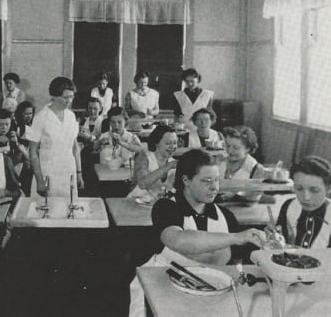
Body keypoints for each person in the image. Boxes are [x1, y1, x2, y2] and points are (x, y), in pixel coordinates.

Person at [128, 149, 266, 317]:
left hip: (211, 293)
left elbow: (236, 262)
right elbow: (180, 241)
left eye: (216, 180)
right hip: (162, 288)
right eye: (206, 181)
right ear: (186, 180)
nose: (214, 187)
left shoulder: (226, 217)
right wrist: (236, 237)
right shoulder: (166, 207)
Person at [28, 77, 82, 197]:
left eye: (71, 97)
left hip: (68, 171)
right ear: (55, 96)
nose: (69, 101)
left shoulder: (71, 116)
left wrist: (79, 173)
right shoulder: (41, 117)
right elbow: (32, 152)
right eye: (65, 97)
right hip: (48, 172)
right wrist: (39, 180)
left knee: (69, 209)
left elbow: (75, 148)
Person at [276, 156, 331, 248]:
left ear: (328, 189)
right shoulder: (289, 206)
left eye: (314, 190)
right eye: (299, 188)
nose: (306, 197)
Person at [127, 125, 178, 201]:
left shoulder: (173, 162)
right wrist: (168, 167)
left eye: (175, 143)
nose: (172, 147)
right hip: (135, 202)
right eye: (168, 143)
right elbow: (142, 184)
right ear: (156, 143)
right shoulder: (144, 157)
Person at [0, 109, 27, 197]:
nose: (4, 127)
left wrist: (16, 144)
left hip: (7, 170)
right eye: (1, 124)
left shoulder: (11, 136)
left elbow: (17, 160)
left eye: (7, 124)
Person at [14, 101, 35, 195]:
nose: (29, 116)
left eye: (30, 113)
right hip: (22, 159)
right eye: (26, 113)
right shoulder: (19, 128)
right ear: (21, 113)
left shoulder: (32, 126)